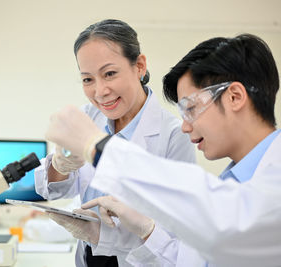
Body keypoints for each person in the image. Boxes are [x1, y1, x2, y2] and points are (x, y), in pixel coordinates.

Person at [44, 33, 281, 267]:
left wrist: (98, 147)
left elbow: (224, 218)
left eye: (191, 108)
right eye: (88, 79)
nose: (186, 127)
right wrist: (142, 230)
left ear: (234, 97)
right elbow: (192, 260)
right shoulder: (238, 179)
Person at [34, 19, 196, 267]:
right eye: (88, 79)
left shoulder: (174, 134)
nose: (100, 91)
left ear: (139, 66)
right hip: (89, 257)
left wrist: (102, 234)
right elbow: (53, 190)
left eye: (110, 74)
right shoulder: (87, 116)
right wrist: (60, 165)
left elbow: (175, 234)